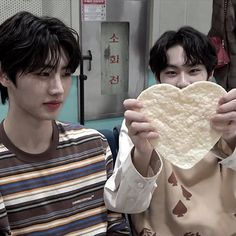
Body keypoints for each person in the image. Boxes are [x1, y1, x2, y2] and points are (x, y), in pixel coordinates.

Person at [0, 11, 129, 235]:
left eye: (66, 73)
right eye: (43, 73)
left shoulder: (95, 146)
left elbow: (117, 226)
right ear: (4, 75)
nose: (58, 89)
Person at [104, 26, 236, 236]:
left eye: (194, 71)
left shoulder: (229, 118)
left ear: (210, 74)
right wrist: (143, 153)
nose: (183, 82)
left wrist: (231, 141)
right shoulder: (140, 126)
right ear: (158, 78)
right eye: (172, 72)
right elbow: (125, 205)